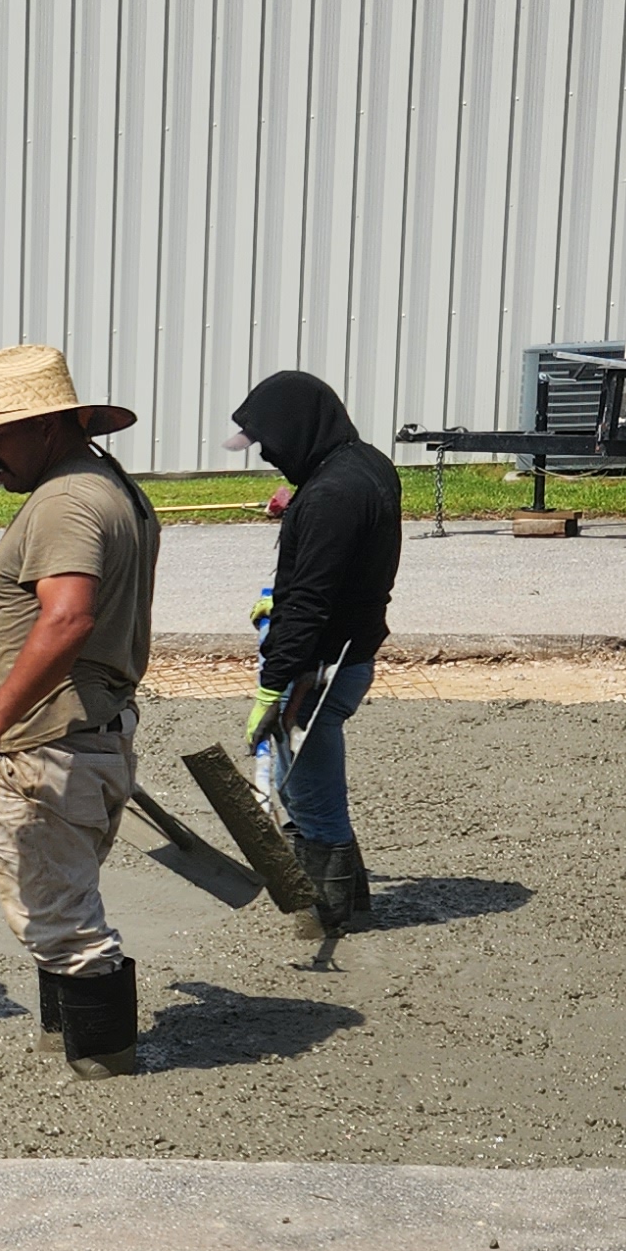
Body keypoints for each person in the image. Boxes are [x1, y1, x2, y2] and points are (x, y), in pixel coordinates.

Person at [0, 343, 161, 1078]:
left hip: (50, 745)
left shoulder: (64, 501)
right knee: (58, 904)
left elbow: (67, 618)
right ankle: (69, 1044)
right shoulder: (107, 485)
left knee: (61, 922)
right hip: (86, 733)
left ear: (54, 424)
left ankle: (105, 1067)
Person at [231, 369, 401, 933]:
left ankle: (324, 916)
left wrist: (273, 684)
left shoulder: (330, 495)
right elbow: (329, 574)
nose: (267, 457)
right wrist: (274, 599)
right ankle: (351, 903)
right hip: (347, 654)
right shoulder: (364, 464)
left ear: (297, 429)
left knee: (309, 804)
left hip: (319, 670)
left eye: (269, 444)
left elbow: (312, 599)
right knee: (316, 789)